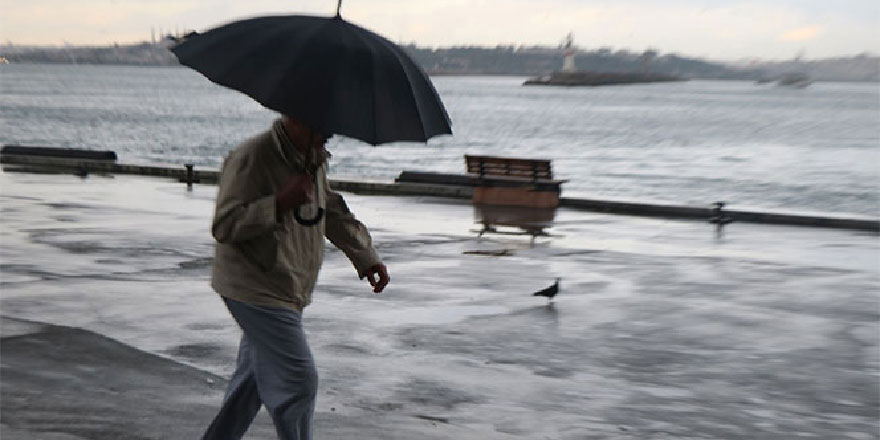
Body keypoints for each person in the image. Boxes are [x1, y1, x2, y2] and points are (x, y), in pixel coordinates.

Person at [202, 115, 389, 440]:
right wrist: (278, 203)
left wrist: (365, 255)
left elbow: (328, 209)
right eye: (322, 126)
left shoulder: (311, 159)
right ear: (296, 120)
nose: (329, 134)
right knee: (298, 380)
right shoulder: (252, 157)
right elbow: (224, 225)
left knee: (251, 383)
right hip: (254, 287)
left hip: (288, 285)